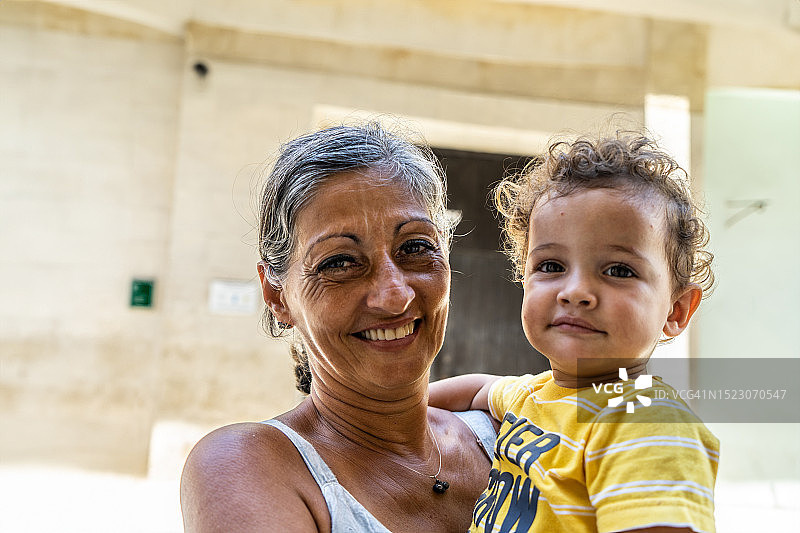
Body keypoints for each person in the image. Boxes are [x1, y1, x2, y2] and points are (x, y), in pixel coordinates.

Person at [180, 123, 497, 532]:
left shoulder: (514, 433)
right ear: (277, 296)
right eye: (339, 262)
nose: (394, 296)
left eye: (415, 248)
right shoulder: (251, 465)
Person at [429, 133, 720, 533]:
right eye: (550, 266)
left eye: (618, 270)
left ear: (676, 310)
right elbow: (480, 389)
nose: (576, 292)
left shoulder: (646, 424)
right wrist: (388, 411)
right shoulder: (534, 395)